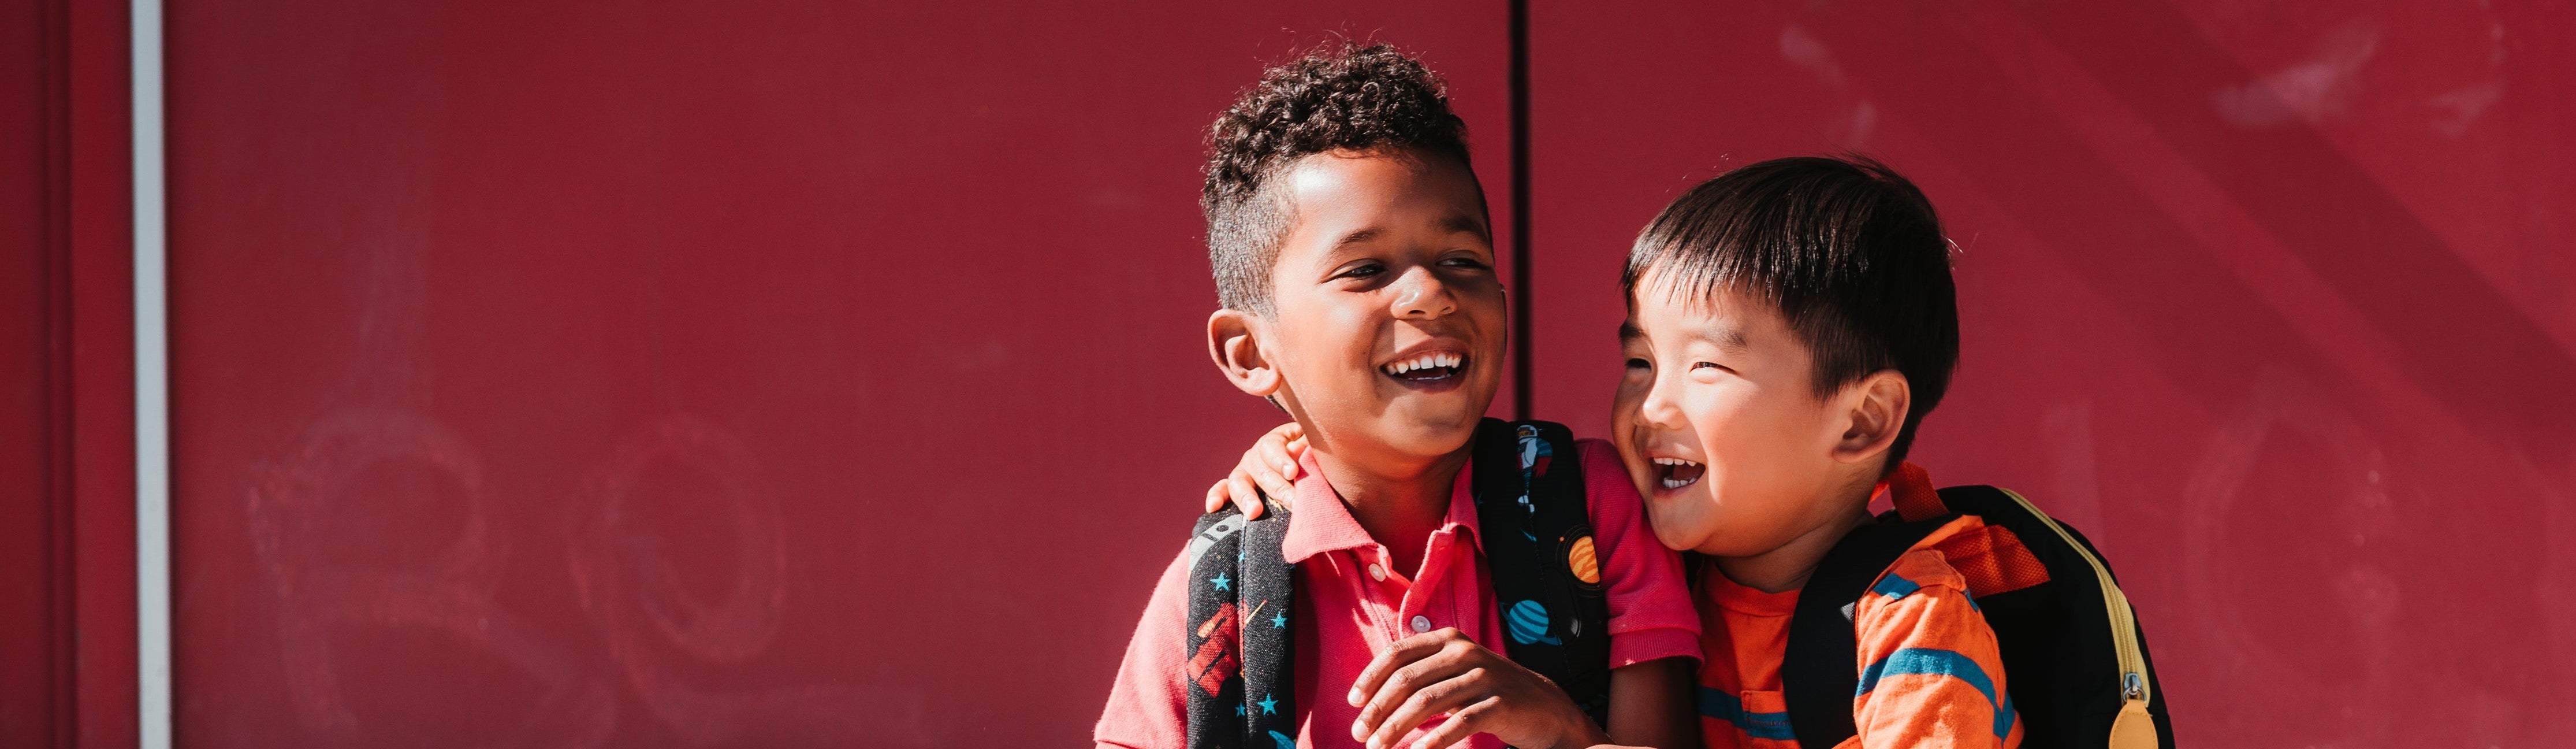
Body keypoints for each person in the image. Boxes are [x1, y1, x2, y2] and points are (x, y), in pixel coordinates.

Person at [1216, 157, 2026, 748]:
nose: (1649, 406)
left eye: (1705, 367)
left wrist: (1569, 737)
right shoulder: (1663, 561)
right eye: (1640, 362)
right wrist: (1300, 454)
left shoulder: (1914, 631)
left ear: (1860, 424)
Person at [1095, 43, 1700, 749]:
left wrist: (1562, 733)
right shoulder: (1223, 584)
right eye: (1364, 269)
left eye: (1461, 260)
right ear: (1251, 353)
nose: (1429, 294)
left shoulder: (1589, 506)